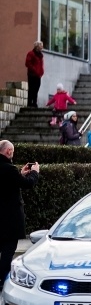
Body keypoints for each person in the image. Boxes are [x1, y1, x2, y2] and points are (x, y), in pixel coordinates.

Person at [0, 140, 39, 290]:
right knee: (8, 251)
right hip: (9, 220)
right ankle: (3, 280)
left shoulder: (9, 170)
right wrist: (35, 172)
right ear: (9, 151)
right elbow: (27, 184)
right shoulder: (9, 169)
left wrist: (20, 174)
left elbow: (12, 182)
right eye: (13, 152)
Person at [24, 41, 45, 107]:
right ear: (37, 46)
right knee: (31, 89)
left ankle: (34, 102)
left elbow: (41, 65)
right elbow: (28, 63)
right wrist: (34, 70)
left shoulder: (40, 55)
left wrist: (41, 72)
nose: (42, 47)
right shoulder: (31, 54)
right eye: (41, 46)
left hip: (38, 75)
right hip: (32, 74)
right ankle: (30, 103)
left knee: (36, 88)